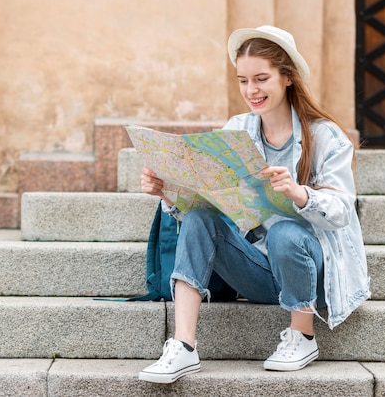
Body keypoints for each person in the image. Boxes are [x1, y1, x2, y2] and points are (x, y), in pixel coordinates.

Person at [137, 25, 370, 384]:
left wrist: (298, 193)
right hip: (260, 270)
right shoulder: (238, 129)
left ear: (288, 77)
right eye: (243, 81)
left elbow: (342, 210)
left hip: (314, 268)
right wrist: (168, 192)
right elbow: (217, 202)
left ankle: (303, 334)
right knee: (199, 218)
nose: (251, 90)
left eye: (261, 79)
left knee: (286, 233)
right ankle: (183, 346)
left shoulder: (324, 135)